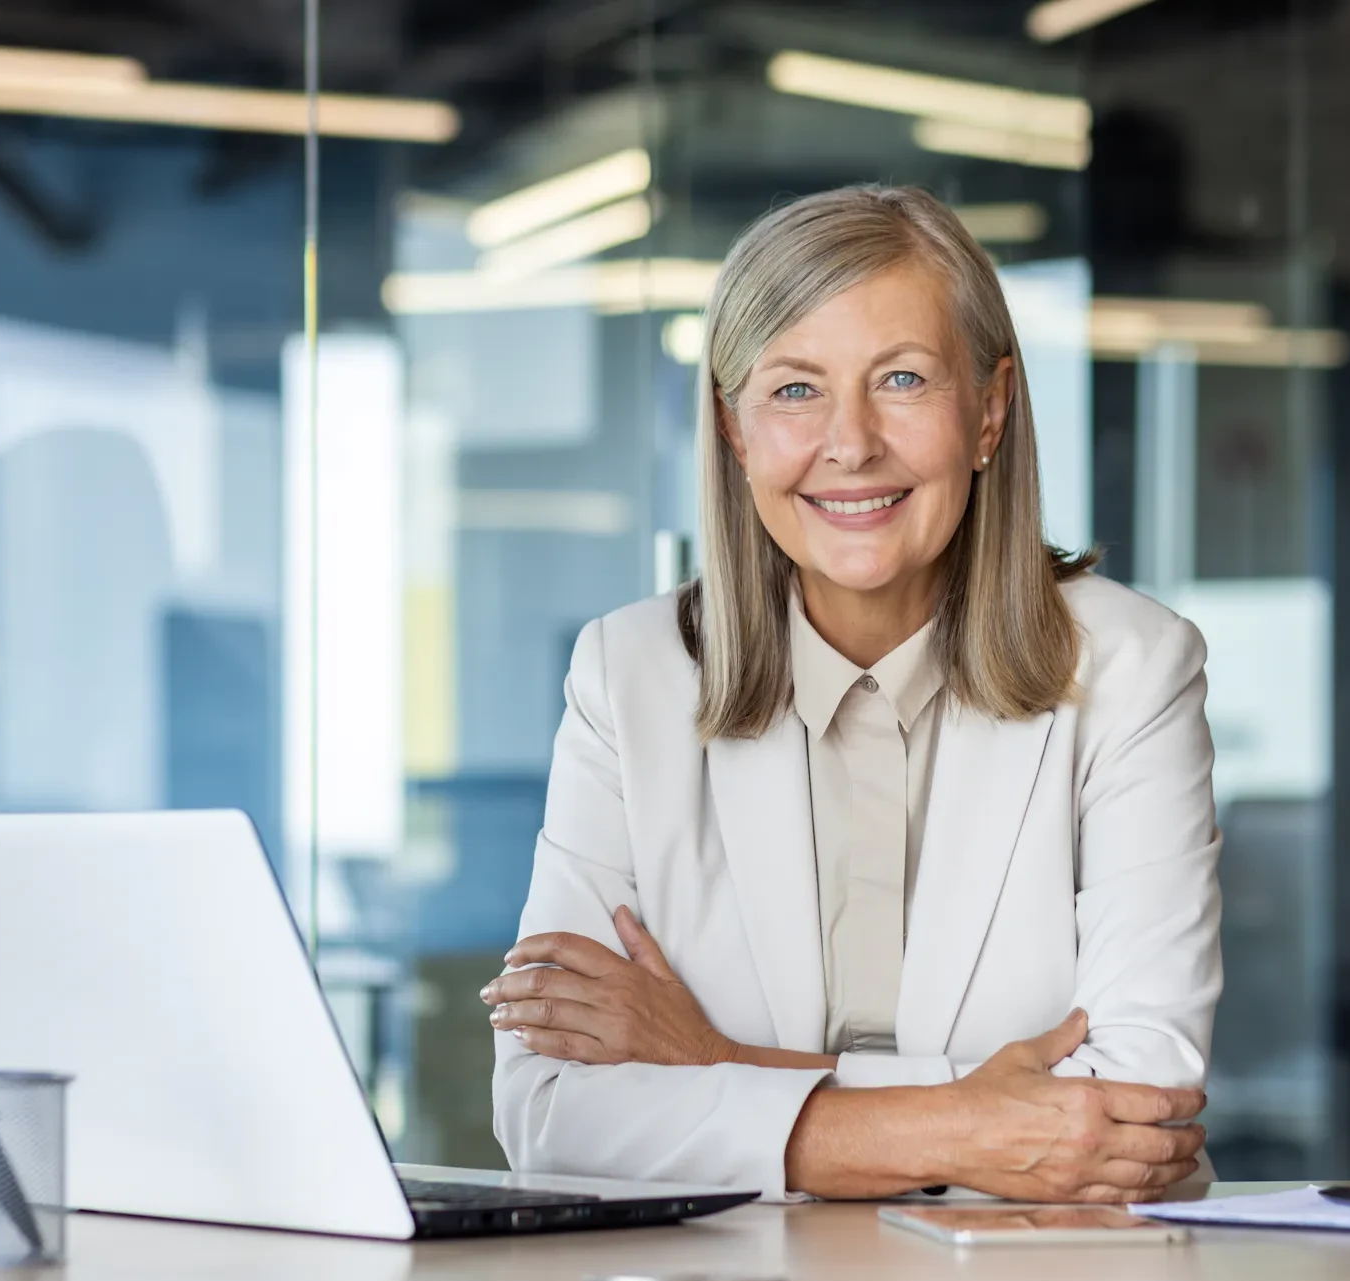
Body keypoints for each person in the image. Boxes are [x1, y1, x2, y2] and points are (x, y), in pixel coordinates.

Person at [486, 185, 1221, 1202]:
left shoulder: (1131, 666)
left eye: (902, 379)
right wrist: (970, 1127)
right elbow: (549, 1114)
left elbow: (1132, 1110)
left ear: (988, 411)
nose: (849, 442)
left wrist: (707, 1062)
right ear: (732, 429)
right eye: (793, 389)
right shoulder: (628, 674)